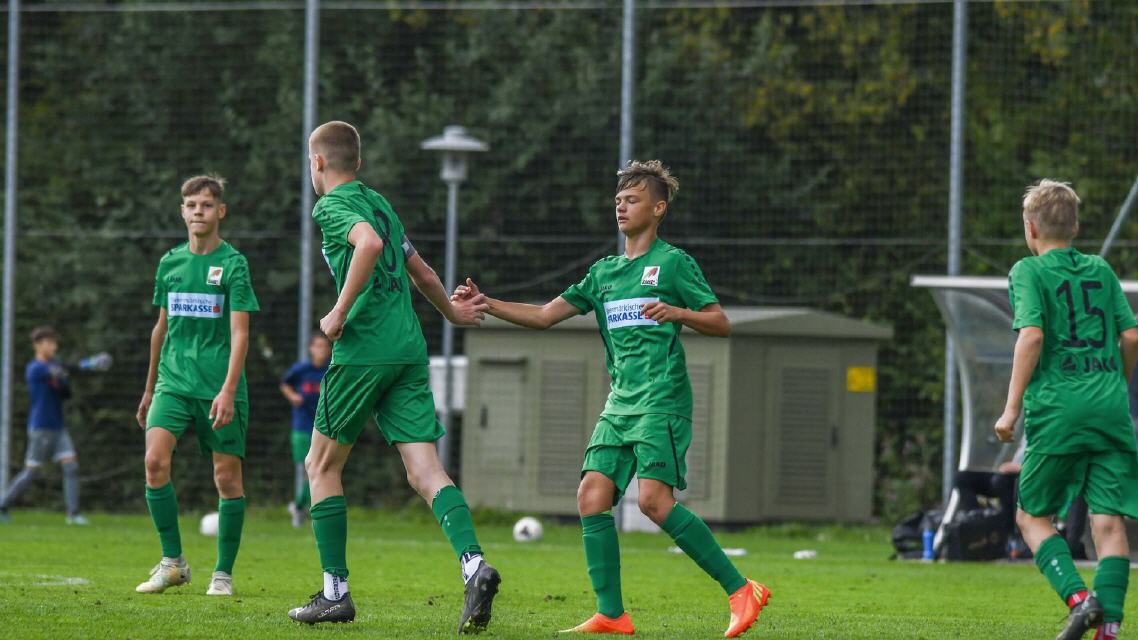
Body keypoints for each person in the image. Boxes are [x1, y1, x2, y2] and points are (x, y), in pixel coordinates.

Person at [452, 160, 769, 637]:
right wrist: (487, 302)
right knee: (591, 495)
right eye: (618, 200)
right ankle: (612, 614)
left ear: (658, 208)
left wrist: (679, 312)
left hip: (661, 399)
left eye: (633, 199)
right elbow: (543, 316)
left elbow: (720, 323)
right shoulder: (603, 273)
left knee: (654, 503)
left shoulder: (673, 263)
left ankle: (742, 590)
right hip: (619, 404)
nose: (621, 207)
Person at [286, 121, 496, 633]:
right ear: (357, 162)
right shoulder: (379, 202)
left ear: (318, 163)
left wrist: (338, 313)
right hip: (407, 348)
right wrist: (451, 312)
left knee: (320, 465)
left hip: (364, 350)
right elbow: (420, 270)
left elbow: (369, 245)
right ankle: (473, 566)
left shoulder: (332, 206)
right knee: (426, 470)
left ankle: (335, 593)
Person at [995, 179, 1138, 640]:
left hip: (1060, 410)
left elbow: (1032, 335)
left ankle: (1081, 601)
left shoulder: (1028, 271)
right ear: (1075, 227)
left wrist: (1010, 411)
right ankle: (1109, 631)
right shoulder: (1101, 269)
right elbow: (1131, 336)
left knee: (1031, 516)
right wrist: (1117, 385)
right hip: (1111, 409)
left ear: (1030, 228)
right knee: (1109, 523)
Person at [133, 175, 259, 597]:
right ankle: (173, 563)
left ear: (220, 211)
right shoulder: (170, 263)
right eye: (191, 205)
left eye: (206, 205)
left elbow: (241, 333)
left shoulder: (234, 264)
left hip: (218, 387)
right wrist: (149, 388)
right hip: (172, 383)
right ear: (182, 211)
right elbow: (160, 329)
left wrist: (229, 389)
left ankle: (222, 574)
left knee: (226, 479)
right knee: (154, 462)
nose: (198, 212)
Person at [0, 327, 87, 525]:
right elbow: (61, 370)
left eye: (54, 343)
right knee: (32, 472)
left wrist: (68, 377)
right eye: (49, 343)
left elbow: (66, 391)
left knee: (71, 467)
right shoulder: (35, 368)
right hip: (41, 427)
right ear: (37, 345)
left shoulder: (55, 367)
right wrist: (87, 365)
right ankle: (2, 504)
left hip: (58, 427)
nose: (53, 347)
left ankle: (73, 515)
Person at [280, 333, 331, 528]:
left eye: (324, 346)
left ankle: (299, 506)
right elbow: (285, 384)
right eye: (317, 346)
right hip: (302, 428)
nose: (321, 350)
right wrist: (293, 396)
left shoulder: (331, 370)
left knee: (319, 469)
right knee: (312, 470)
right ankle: (305, 508)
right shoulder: (301, 370)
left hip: (324, 428)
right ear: (310, 348)